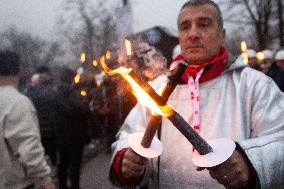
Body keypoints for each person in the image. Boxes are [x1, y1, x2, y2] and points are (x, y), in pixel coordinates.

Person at [109, 0, 284, 189]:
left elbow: (279, 140)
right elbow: (129, 135)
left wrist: (251, 162)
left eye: (203, 24)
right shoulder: (158, 88)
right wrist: (126, 160)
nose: (192, 34)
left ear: (222, 34)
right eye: (185, 27)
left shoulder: (254, 84)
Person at [0, 50, 55, 189]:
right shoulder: (17, 102)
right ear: (20, 71)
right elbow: (28, 148)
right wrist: (45, 179)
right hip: (14, 183)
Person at [56, 67, 90, 189]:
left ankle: (62, 185)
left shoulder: (56, 92)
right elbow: (80, 110)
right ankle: (75, 186)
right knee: (74, 164)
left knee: (63, 163)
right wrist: (85, 104)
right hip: (75, 134)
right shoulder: (72, 92)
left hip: (61, 135)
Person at [25, 66, 59, 171]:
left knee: (51, 148)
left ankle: (53, 167)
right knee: (44, 149)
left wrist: (32, 88)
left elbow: (48, 99)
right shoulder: (33, 90)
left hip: (50, 124)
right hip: (40, 124)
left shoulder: (50, 88)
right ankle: (48, 168)